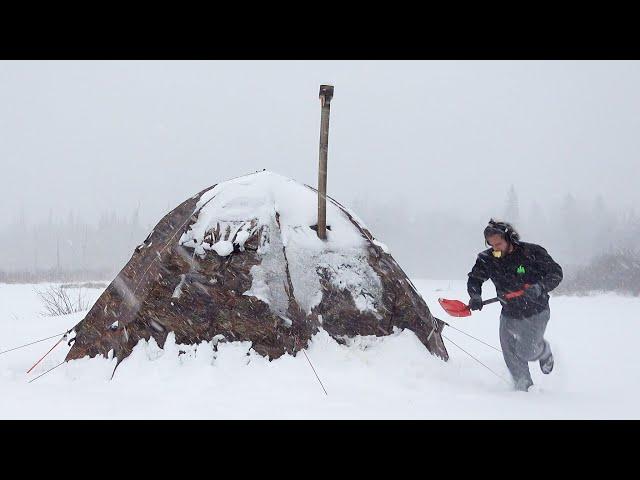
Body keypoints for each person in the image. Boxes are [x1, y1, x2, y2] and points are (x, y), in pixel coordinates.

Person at [467, 219, 563, 391]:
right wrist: (475, 296)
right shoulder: (487, 258)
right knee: (510, 354)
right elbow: (475, 278)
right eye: (492, 245)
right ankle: (523, 389)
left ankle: (543, 351)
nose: (495, 248)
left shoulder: (531, 252)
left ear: (510, 238)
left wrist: (540, 287)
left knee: (526, 351)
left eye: (499, 243)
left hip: (536, 311)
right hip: (509, 312)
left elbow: (556, 273)